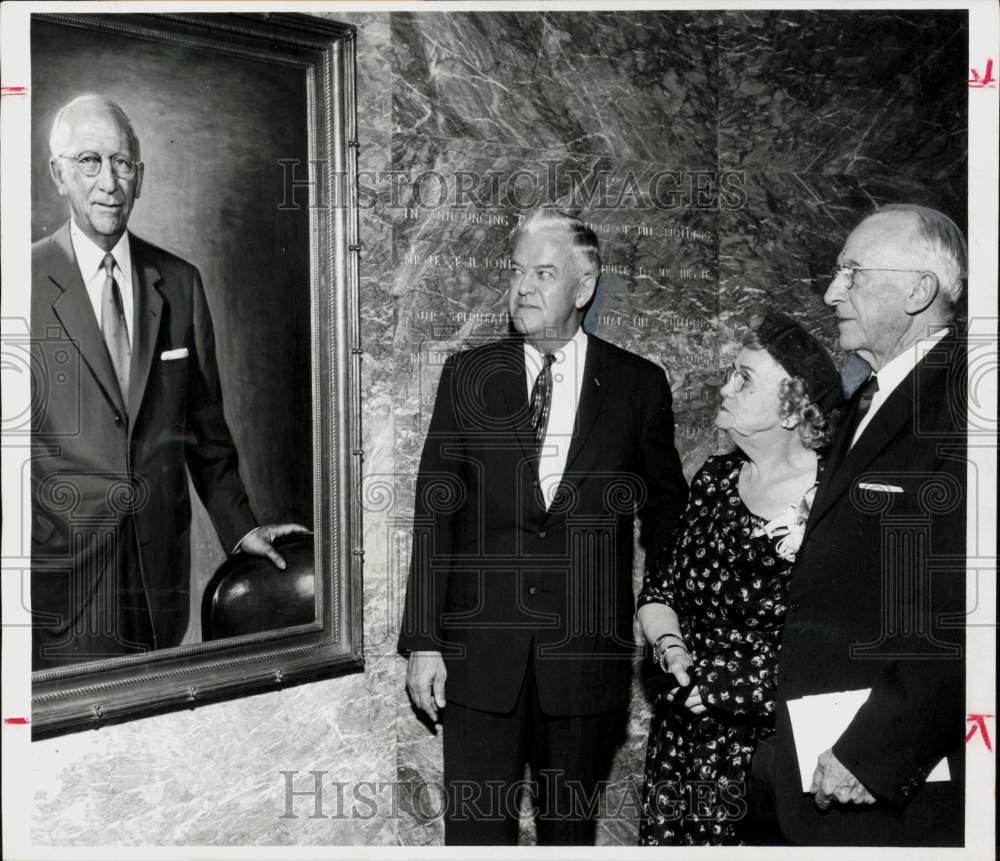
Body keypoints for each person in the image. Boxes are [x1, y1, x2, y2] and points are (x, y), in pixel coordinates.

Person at [397, 208, 688, 845]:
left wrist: (659, 603)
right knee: (475, 837)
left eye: (544, 273)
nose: (523, 287)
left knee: (569, 837)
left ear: (583, 289)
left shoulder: (638, 386)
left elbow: (668, 511)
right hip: (478, 661)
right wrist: (424, 639)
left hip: (585, 664)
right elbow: (435, 508)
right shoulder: (469, 375)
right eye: (517, 271)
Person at [31, 94, 305, 670]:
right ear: (58, 173)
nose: (109, 181)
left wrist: (240, 529)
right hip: (55, 584)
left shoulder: (180, 282)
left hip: (158, 578)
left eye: (122, 163)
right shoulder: (19, 282)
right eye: (88, 161)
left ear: (141, 176)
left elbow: (205, 428)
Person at [750, 205, 968, 846]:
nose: (829, 293)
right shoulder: (869, 398)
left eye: (851, 273)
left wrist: (876, 750)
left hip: (884, 780)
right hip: (813, 766)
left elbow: (963, 602)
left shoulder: (966, 400)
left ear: (918, 290)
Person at [636, 312, 843, 845]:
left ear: (794, 409)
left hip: (768, 755)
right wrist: (670, 646)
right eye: (731, 372)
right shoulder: (714, 478)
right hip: (684, 739)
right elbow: (661, 588)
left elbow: (848, 645)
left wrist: (734, 687)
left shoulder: (832, 499)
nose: (725, 387)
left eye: (744, 378)